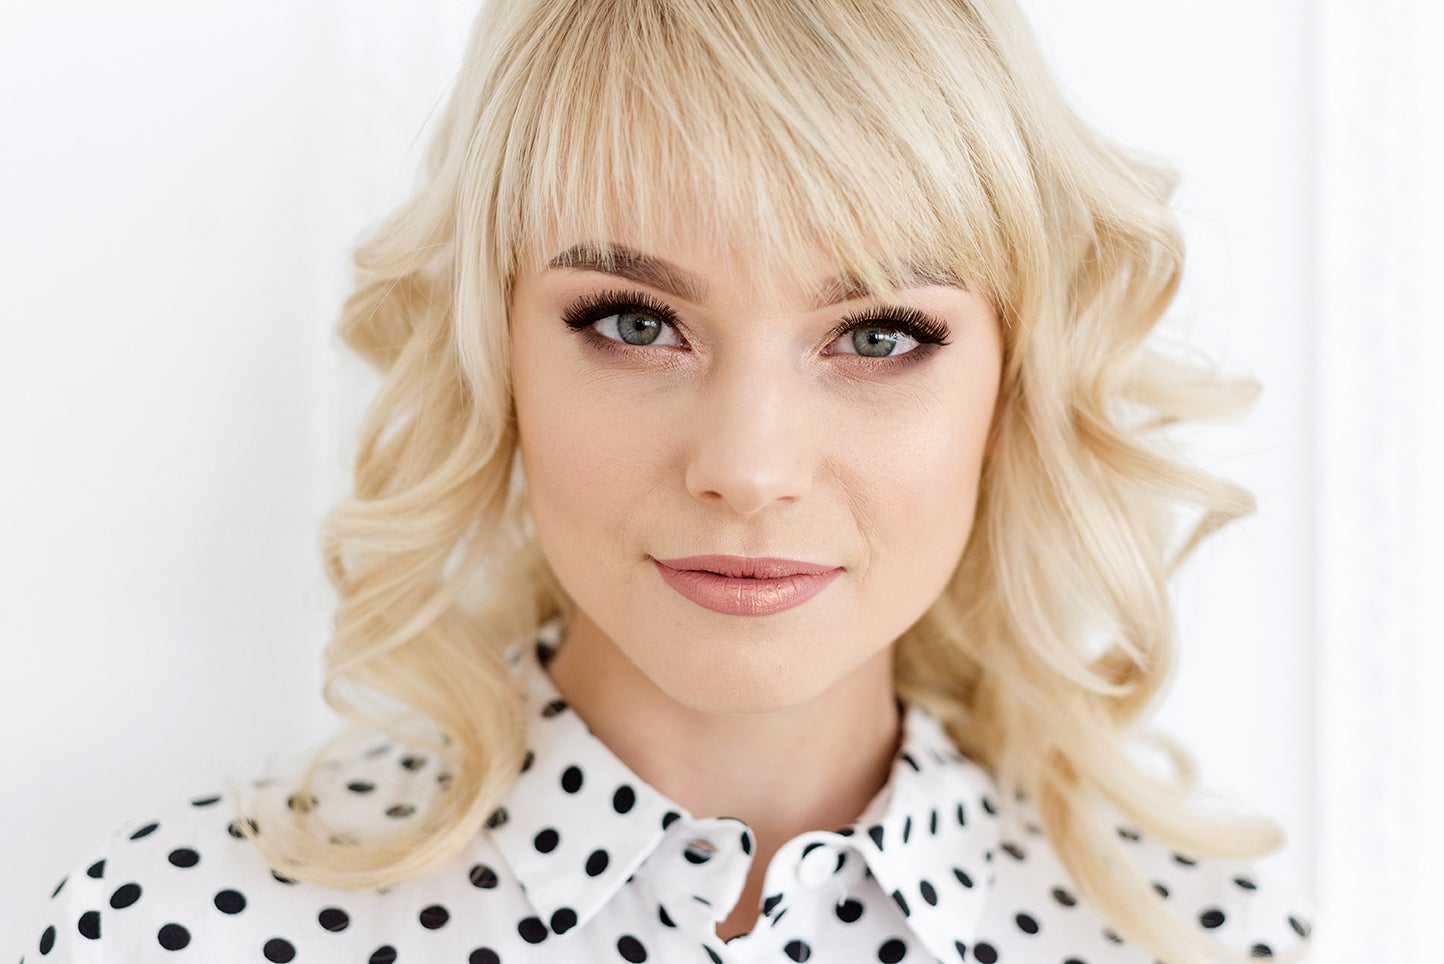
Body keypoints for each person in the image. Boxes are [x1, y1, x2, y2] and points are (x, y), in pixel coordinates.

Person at [20, 0, 1316, 961]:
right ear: (499, 359)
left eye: (877, 336)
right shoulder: (187, 926)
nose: (748, 470)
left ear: (1011, 385)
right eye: (636, 324)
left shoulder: (1205, 941)